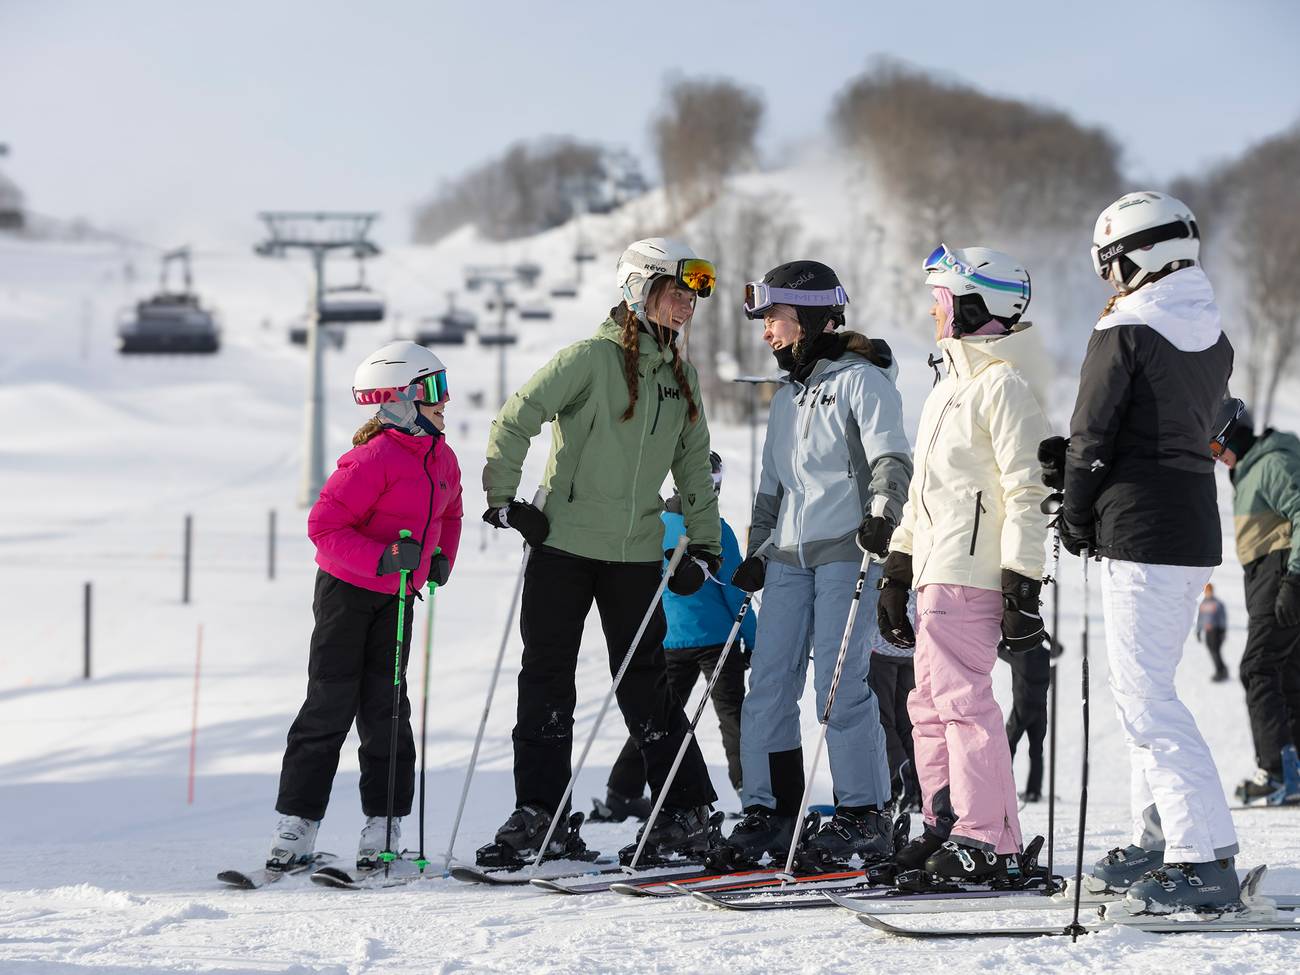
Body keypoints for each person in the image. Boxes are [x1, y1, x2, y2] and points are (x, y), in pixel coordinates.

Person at [478, 238, 723, 866]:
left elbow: (694, 465)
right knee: (546, 681)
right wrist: (506, 500)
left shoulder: (681, 377)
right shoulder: (589, 359)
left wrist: (704, 544)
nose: (687, 304)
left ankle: (685, 813)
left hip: (637, 556)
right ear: (638, 289)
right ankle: (542, 815)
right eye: (676, 290)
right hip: (562, 546)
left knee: (646, 687)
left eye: (693, 293)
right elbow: (516, 416)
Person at [1060, 191, 1240, 912]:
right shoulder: (1214, 334)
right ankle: (1158, 836)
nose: (1110, 280)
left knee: (1147, 701)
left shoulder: (1126, 330)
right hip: (1192, 524)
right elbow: (1197, 420)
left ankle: (1205, 857)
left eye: (1113, 264)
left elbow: (1091, 434)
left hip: (1139, 530)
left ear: (1138, 256)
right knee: (1148, 694)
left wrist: (1075, 511)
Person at [719, 260, 912, 870]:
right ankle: (771, 811)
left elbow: (890, 458)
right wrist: (756, 552)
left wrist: (882, 515)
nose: (768, 331)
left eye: (774, 317)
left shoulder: (863, 381)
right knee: (768, 683)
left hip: (848, 553)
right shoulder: (788, 399)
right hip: (787, 559)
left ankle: (864, 813)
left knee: (838, 685)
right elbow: (770, 492)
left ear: (806, 316)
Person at [878, 244, 1051, 883]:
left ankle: (986, 837)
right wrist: (899, 565)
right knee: (926, 705)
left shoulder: (1002, 387)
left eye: (942, 299)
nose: (932, 310)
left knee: (962, 704)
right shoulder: (948, 387)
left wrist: (1021, 584)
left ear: (974, 306)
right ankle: (946, 821)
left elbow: (1027, 490)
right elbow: (925, 490)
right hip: (933, 571)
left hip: (973, 573)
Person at [269, 341, 463, 871]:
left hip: (398, 599)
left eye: (444, 388)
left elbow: (450, 514)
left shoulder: (441, 458)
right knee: (328, 708)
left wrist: (439, 557)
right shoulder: (371, 459)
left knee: (388, 713)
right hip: (346, 597)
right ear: (399, 399)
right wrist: (382, 557)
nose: (445, 401)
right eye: (433, 390)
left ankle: (384, 825)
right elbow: (323, 528)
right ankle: (296, 829)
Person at [594, 451, 755, 820]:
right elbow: (736, 591)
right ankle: (751, 793)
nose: (713, 491)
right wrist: (754, 638)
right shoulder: (715, 528)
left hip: (670, 640)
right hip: (717, 640)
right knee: (732, 716)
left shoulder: (654, 524)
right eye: (712, 484)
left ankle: (622, 791)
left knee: (659, 714)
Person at [1210, 398, 1300, 805]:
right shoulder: (1250, 471)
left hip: (1281, 574)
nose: (1217, 459)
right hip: (1272, 576)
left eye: (1215, 448)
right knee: (1285, 674)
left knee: (1258, 669)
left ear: (1234, 435)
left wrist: (1295, 579)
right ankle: (1292, 770)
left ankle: (1277, 771)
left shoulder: (1271, 463)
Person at [867, 590, 922, 813]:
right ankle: (919, 788)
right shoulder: (912, 558)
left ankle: (901, 778)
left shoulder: (887, 562)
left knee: (882, 719)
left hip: (881, 647)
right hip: (910, 648)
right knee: (906, 722)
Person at [1197, 583, 1231, 682]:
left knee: (1216, 651)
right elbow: (1200, 618)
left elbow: (1222, 618)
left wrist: (1223, 631)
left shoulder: (1217, 603)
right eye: (1207, 591)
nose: (1209, 593)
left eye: (1210, 591)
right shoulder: (1203, 603)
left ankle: (1220, 671)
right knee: (1212, 651)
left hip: (1216, 631)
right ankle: (1221, 669)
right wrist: (1198, 631)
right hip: (1208, 632)